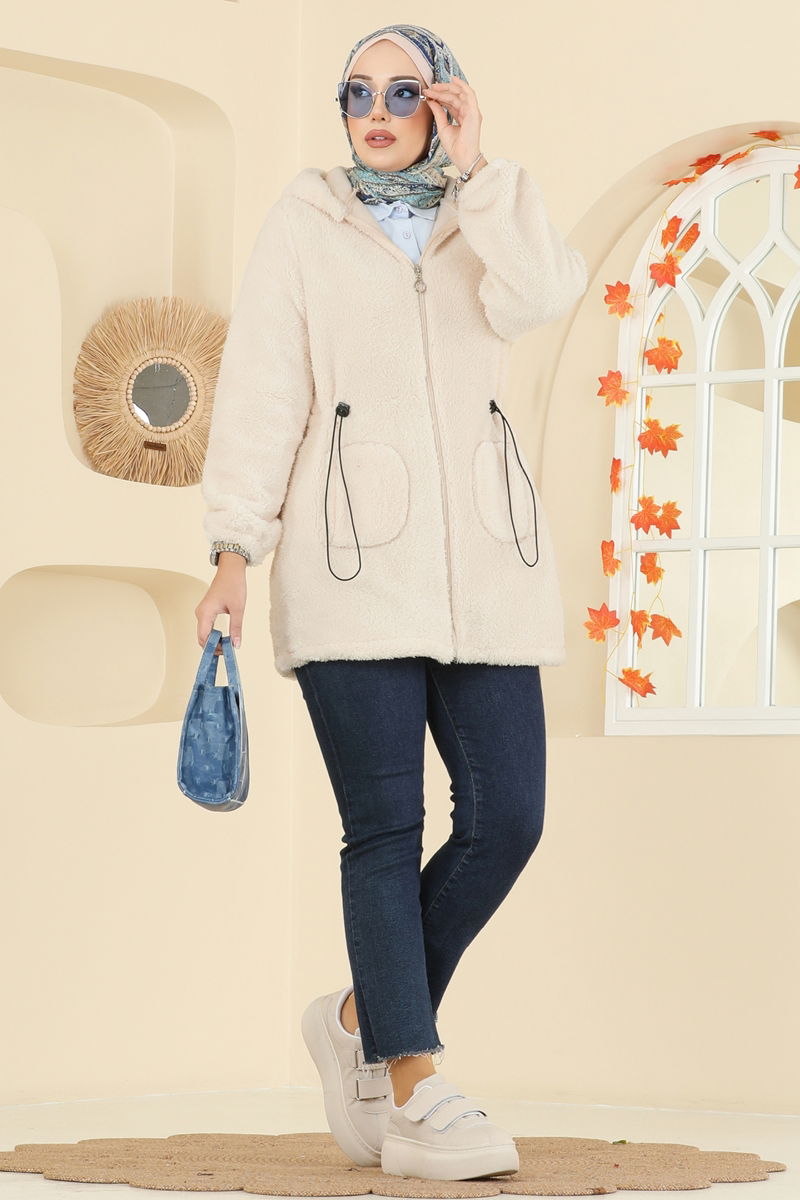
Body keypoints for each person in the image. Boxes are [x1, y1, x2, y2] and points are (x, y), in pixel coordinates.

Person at [195, 22, 588, 1183]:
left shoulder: (486, 214)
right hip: (347, 566)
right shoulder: (303, 223)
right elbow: (261, 390)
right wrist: (233, 551)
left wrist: (482, 167)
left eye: (401, 91)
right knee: (383, 828)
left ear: (443, 102)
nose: (374, 110)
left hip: (487, 567)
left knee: (507, 818)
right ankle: (413, 1088)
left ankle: (359, 1020)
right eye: (355, 92)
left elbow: (543, 294)